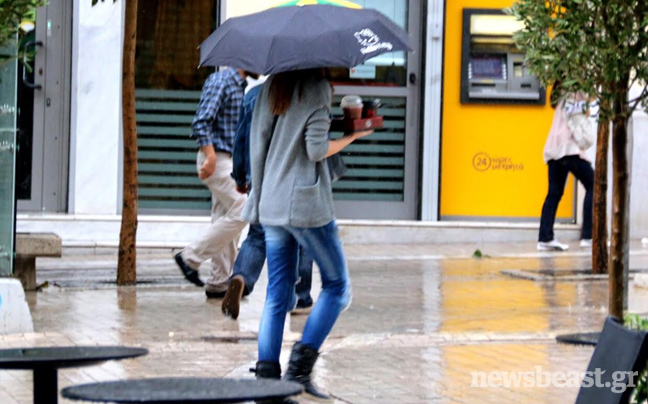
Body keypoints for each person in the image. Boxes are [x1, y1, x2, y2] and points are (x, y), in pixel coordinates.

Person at [243, 68, 372, 401]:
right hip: (304, 206)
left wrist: (258, 199)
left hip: (271, 201)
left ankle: (268, 386)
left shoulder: (273, 85)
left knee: (277, 295)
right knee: (338, 287)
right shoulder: (316, 88)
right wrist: (353, 136)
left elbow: (258, 146)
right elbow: (316, 150)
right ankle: (298, 372)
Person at [222, 85, 315, 320]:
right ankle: (301, 297)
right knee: (303, 237)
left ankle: (241, 277)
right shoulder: (309, 94)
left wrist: (241, 176)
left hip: (260, 177)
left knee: (257, 236)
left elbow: (241, 139)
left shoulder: (254, 95)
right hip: (296, 179)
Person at [174, 68, 259, 298]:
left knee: (226, 216)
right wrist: (210, 156)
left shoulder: (240, 86)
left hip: (229, 161)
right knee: (245, 209)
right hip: (216, 159)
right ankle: (189, 257)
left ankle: (218, 282)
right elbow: (201, 122)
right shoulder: (222, 80)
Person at [538, 86, 594, 251]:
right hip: (569, 148)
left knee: (554, 194)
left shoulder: (560, 91)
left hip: (554, 149)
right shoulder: (574, 90)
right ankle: (589, 236)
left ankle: (545, 238)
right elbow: (591, 96)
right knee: (594, 185)